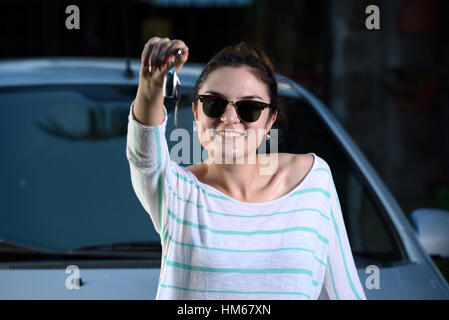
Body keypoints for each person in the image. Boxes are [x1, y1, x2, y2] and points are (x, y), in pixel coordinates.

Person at [126, 37, 367, 300]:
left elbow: (346, 294)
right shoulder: (177, 193)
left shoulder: (313, 181)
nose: (229, 119)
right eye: (213, 104)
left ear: (269, 120)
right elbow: (145, 156)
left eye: (249, 108)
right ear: (195, 113)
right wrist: (150, 86)